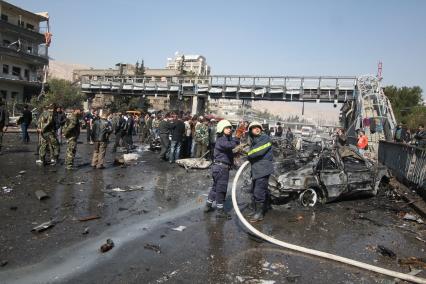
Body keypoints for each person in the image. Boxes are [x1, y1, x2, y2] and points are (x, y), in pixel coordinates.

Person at [204, 120, 239, 219]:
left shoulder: (224, 139)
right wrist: (236, 139)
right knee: (221, 189)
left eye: (230, 128)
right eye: (227, 128)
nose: (229, 130)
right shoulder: (222, 140)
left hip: (218, 168)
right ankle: (220, 211)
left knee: (215, 187)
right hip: (221, 168)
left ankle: (208, 205)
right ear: (221, 129)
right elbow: (230, 145)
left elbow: (229, 151)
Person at [247, 121, 273, 222]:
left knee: (259, 191)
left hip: (263, 169)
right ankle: (255, 210)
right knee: (254, 190)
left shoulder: (265, 138)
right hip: (256, 169)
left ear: (261, 129)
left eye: (258, 127)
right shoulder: (254, 140)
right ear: (251, 131)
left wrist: (248, 154)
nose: (256, 129)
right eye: (254, 128)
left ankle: (259, 214)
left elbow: (257, 151)